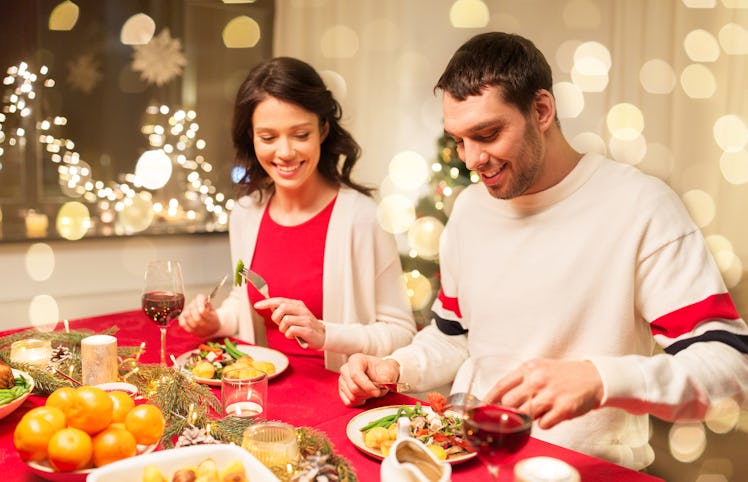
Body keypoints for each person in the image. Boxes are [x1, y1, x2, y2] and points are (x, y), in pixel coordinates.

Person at [337, 32, 748, 470]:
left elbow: (729, 363)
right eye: (459, 140)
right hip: (472, 456)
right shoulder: (472, 209)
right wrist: (396, 367)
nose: (471, 159)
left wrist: (601, 378)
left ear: (542, 110)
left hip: (583, 468)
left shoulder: (640, 206)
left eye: (487, 133)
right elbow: (453, 336)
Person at [179, 57, 416, 372]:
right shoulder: (245, 215)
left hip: (338, 397)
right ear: (251, 137)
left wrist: (325, 333)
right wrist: (212, 322)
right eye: (268, 137)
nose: (285, 152)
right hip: (263, 394)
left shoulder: (363, 218)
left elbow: (401, 333)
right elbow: (244, 299)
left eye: (301, 134)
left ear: (323, 130)